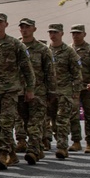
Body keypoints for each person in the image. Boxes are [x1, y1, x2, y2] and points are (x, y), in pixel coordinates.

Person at [0, 13, 35, 170]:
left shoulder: (15, 44)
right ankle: (12, 155)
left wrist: (30, 88)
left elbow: (27, 68)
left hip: (11, 90)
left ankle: (3, 153)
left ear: (6, 24)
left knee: (7, 122)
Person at [17, 18, 55, 164]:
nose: (24, 29)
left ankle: (32, 150)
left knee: (35, 123)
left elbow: (50, 72)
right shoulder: (16, 46)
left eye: (27, 27)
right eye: (22, 27)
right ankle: (38, 147)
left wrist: (51, 92)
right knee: (26, 123)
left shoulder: (42, 49)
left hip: (39, 92)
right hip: (20, 92)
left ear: (34, 29)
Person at [47, 23, 83, 159]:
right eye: (50, 32)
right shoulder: (46, 50)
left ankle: (62, 147)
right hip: (50, 92)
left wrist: (76, 92)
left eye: (55, 32)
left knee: (62, 120)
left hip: (65, 91)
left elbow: (77, 73)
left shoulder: (69, 51)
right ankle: (59, 141)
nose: (53, 35)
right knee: (54, 121)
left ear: (61, 33)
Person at [70, 24, 90, 154]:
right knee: (73, 115)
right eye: (73, 33)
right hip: (74, 88)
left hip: (88, 88)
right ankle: (76, 141)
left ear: (84, 34)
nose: (75, 35)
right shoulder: (68, 49)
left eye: (78, 33)